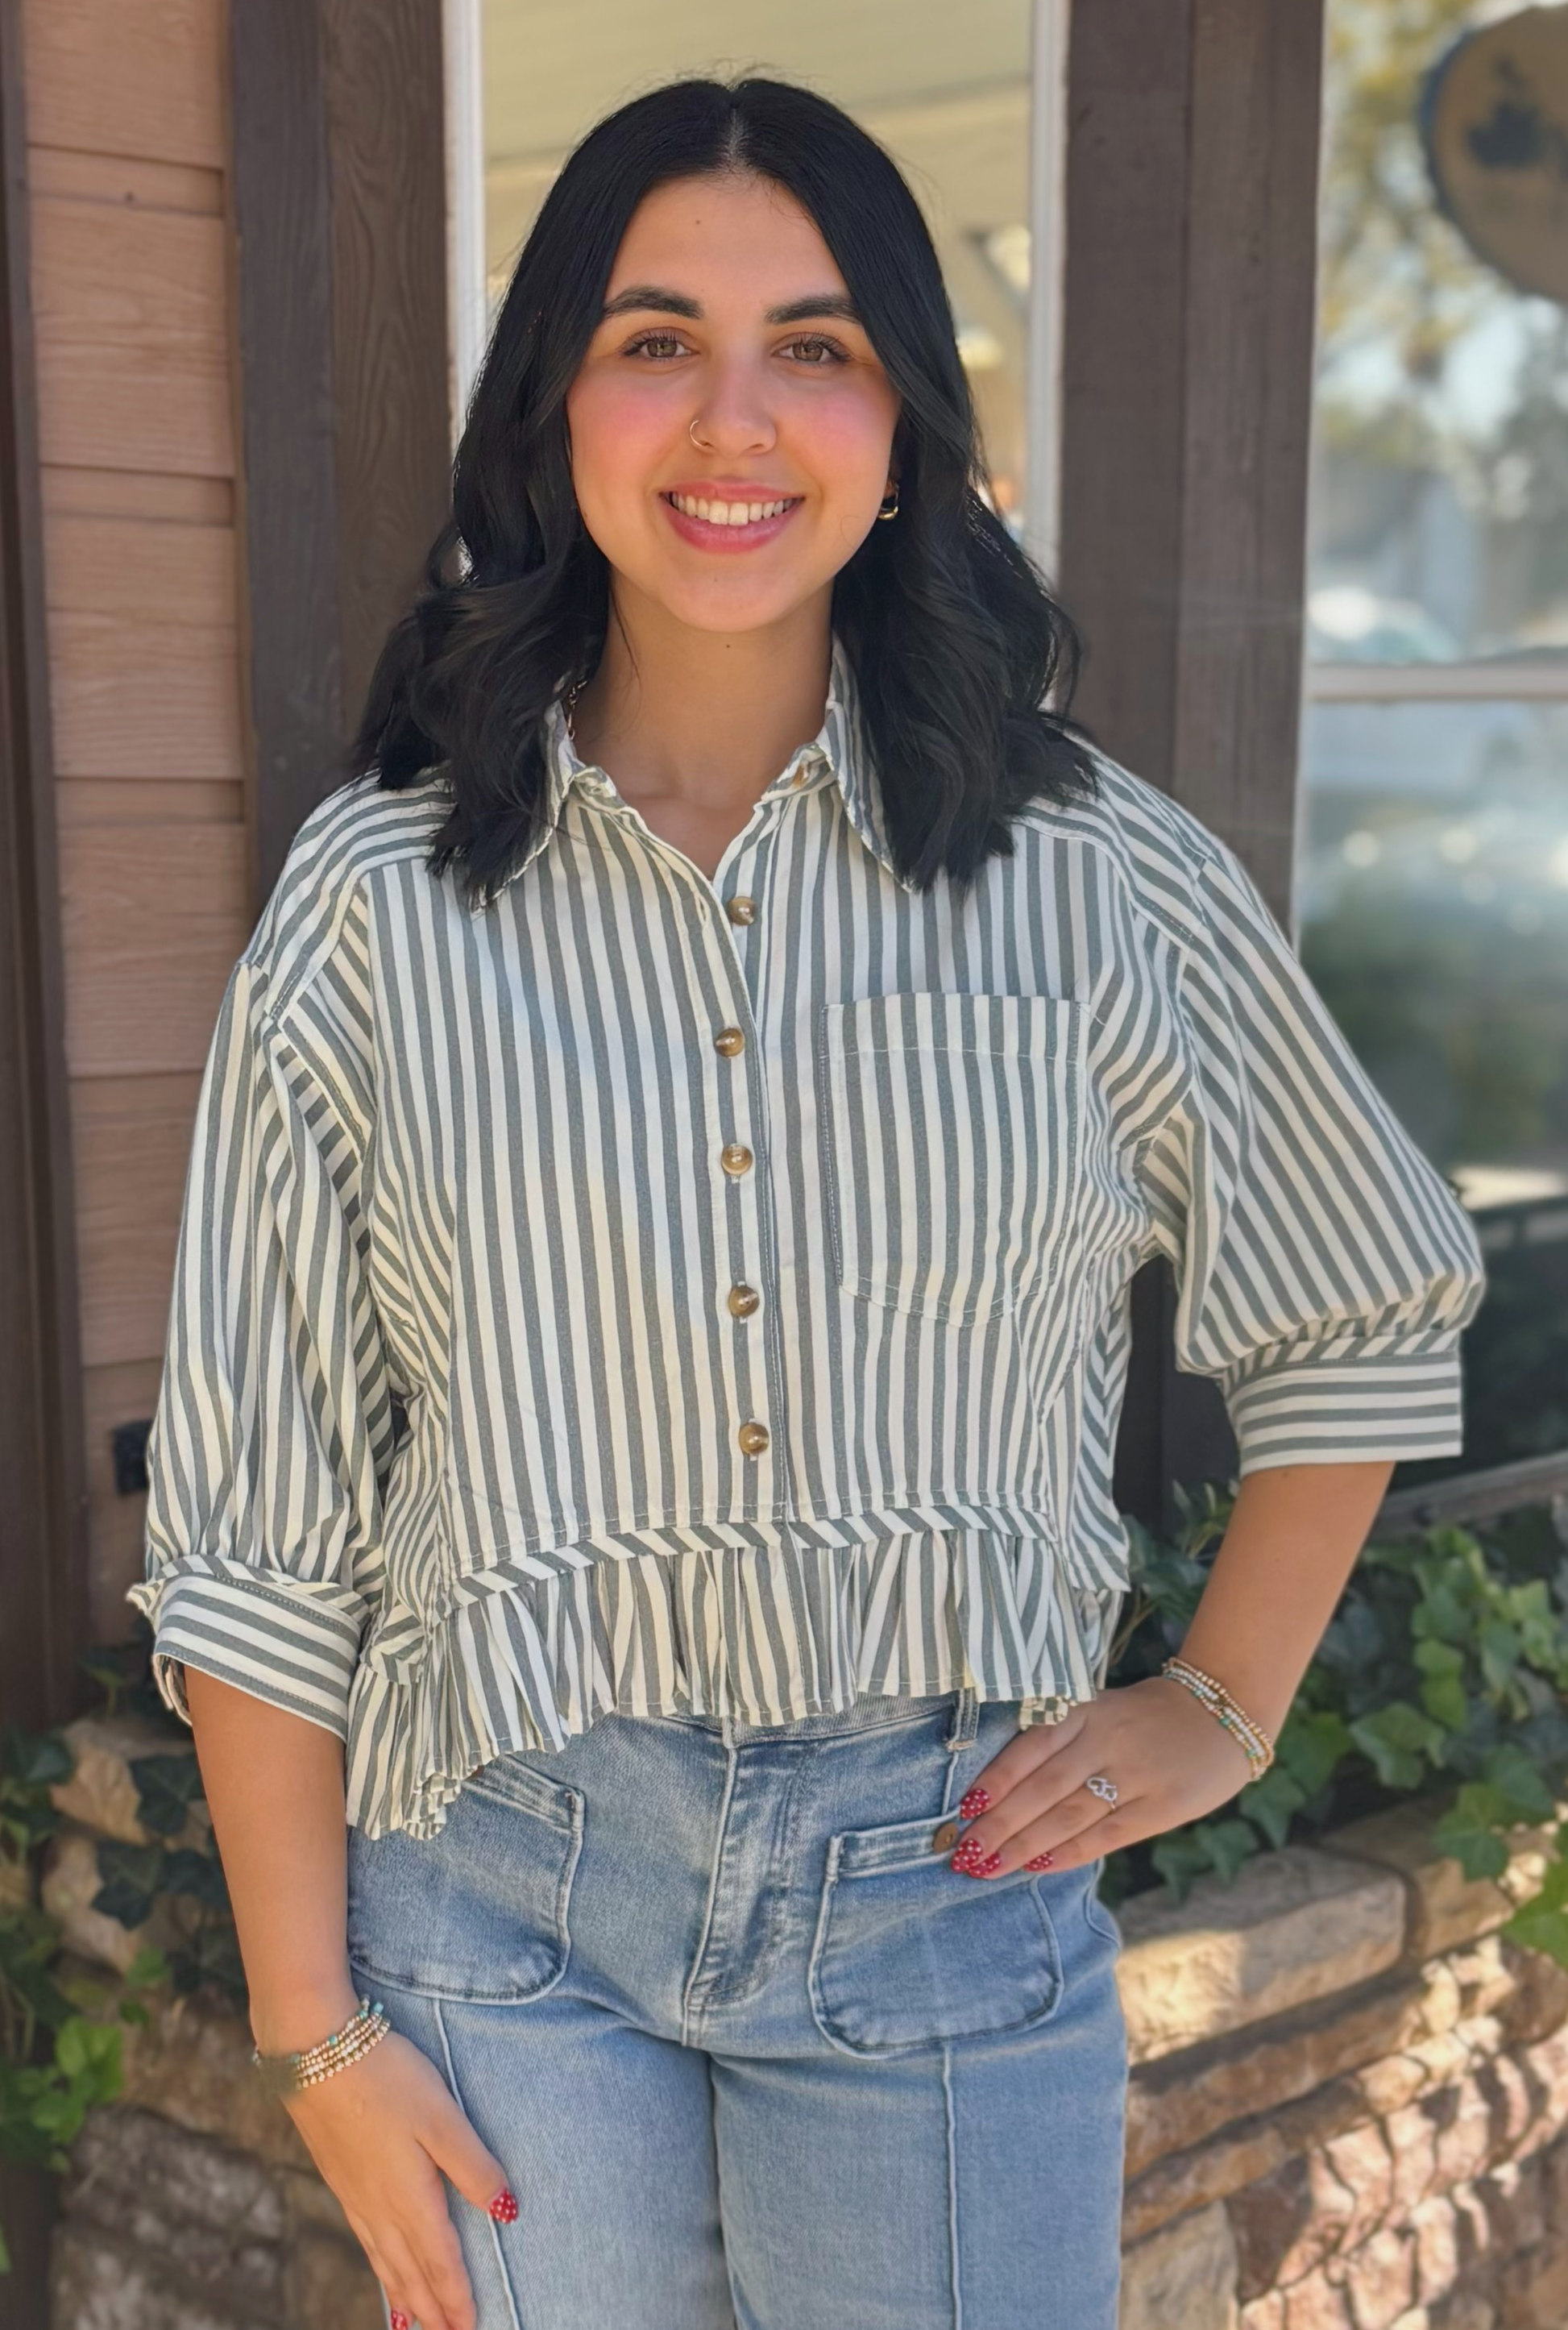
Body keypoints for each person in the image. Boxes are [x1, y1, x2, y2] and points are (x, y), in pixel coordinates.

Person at [133, 75, 1485, 2330]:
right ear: (558, 395)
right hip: (502, 1903)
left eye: (819, 346)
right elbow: (262, 1524)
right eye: (658, 338)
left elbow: (1353, 1294)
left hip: (942, 1895)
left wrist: (1223, 1708)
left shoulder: (1093, 880)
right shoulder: (375, 909)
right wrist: (313, 2033)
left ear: (907, 417)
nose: (733, 419)